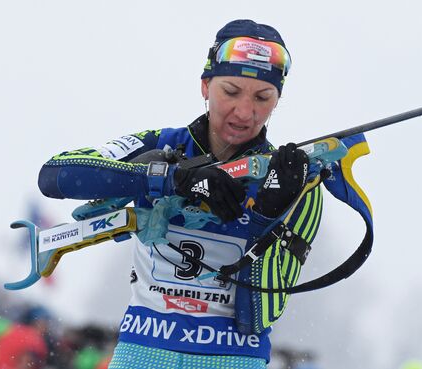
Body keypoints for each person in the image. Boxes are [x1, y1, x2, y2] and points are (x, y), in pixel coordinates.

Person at [37, 19, 323, 368]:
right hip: (142, 352)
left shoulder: (289, 176)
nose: (245, 112)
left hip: (233, 358)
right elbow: (55, 176)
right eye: (231, 92)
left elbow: (262, 312)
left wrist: (267, 218)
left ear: (277, 100)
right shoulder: (162, 144)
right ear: (205, 86)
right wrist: (169, 179)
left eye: (263, 97)